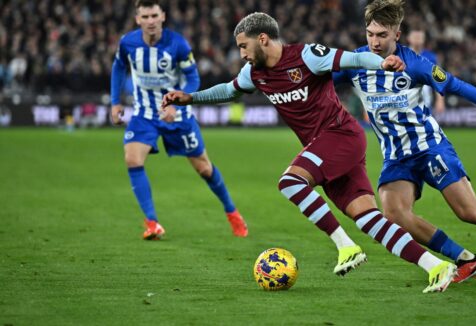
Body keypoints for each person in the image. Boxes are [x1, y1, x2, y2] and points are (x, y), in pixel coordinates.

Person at [163, 12, 457, 293]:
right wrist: (190, 98)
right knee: (367, 218)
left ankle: (345, 246)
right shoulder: (255, 73)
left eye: (244, 46)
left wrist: (381, 64)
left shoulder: (307, 56)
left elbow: (354, 59)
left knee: (290, 182)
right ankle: (436, 266)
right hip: (327, 147)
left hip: (341, 135)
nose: (242, 53)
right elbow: (229, 91)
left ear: (262, 38)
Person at [333, 0, 476, 283]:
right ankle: (466, 259)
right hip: (396, 157)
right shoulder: (355, 63)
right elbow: (316, 77)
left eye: (382, 35)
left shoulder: (414, 64)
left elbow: (457, 86)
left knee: (470, 212)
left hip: (430, 148)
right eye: (370, 34)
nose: (374, 42)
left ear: (397, 35)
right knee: (394, 213)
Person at [110, 0, 248, 240]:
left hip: (178, 115)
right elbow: (118, 67)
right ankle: (152, 222)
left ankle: (232, 212)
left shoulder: (178, 44)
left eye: (154, 15)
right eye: (145, 16)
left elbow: (193, 78)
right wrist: (115, 101)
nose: (150, 21)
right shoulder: (128, 43)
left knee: (204, 168)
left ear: (163, 16)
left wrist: (177, 102)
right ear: (137, 19)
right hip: (144, 114)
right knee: (132, 159)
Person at [407, 28, 445, 114]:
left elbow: (438, 80)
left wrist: (440, 100)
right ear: (408, 38)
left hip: (425, 100)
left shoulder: (431, 57)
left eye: (420, 37)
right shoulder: (401, 54)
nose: (417, 39)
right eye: (415, 36)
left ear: (424, 39)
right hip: (404, 99)